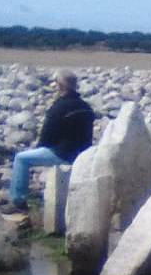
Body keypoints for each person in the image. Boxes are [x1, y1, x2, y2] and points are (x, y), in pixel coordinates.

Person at [6, 70, 95, 210]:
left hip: (63, 154)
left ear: (60, 86)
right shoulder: (86, 107)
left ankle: (18, 200)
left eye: (55, 83)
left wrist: (40, 147)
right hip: (83, 154)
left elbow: (47, 137)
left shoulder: (59, 107)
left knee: (21, 159)